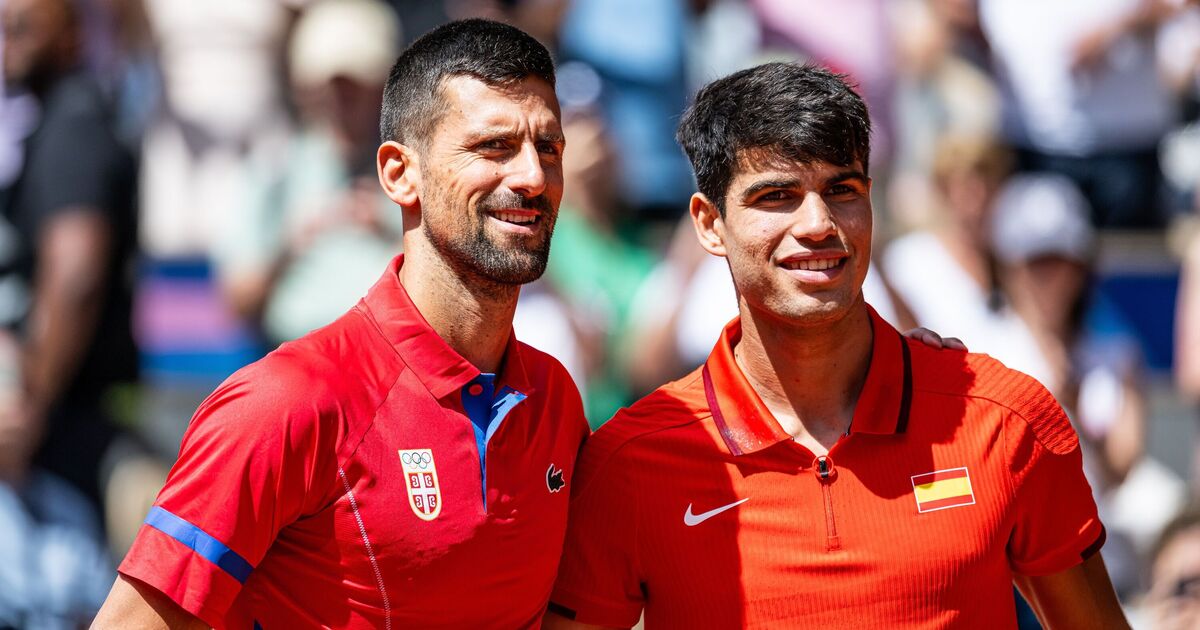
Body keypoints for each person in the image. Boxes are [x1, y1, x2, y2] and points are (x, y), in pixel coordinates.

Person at [544, 62, 1128, 629]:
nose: (819, 222)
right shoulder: (629, 463)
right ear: (708, 223)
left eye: (841, 188)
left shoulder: (1006, 419)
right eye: (776, 196)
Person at [93, 19, 591, 628]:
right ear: (398, 174)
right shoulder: (285, 404)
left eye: (549, 148)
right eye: (493, 147)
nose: (532, 177)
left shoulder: (555, 400)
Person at [0, 0, 139, 509]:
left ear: (73, 35)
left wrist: (27, 405)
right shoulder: (57, 118)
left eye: (24, 23)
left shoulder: (74, 122)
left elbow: (75, 277)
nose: (9, 30)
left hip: (66, 426)